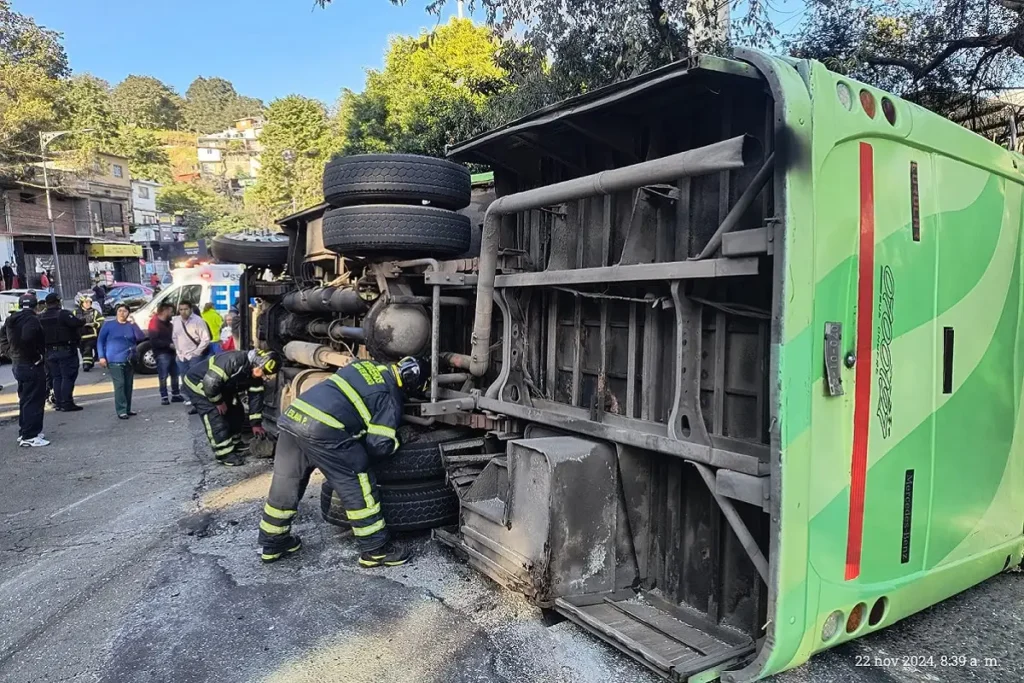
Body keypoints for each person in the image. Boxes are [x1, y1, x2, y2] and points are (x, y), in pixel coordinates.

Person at [257, 356, 427, 567]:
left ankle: (273, 543)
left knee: (285, 483)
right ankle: (375, 549)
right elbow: (379, 445)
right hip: (323, 428)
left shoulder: (365, 364)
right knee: (357, 478)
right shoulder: (390, 395)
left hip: (295, 416)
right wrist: (399, 439)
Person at [182, 349, 279, 467]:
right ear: (257, 363)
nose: (263, 377)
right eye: (262, 373)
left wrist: (255, 424)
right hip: (200, 383)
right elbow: (210, 383)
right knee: (215, 417)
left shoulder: (255, 373)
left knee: (236, 412)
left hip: (221, 387)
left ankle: (235, 443)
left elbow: (256, 398)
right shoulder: (234, 361)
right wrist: (218, 401)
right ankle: (224, 454)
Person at [0, 293, 48, 446]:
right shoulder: (32, 319)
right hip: (31, 364)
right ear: (36, 305)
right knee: (34, 399)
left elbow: (2, 339)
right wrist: (36, 356)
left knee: (25, 398)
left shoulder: (11, 319)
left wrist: (11, 353)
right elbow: (28, 338)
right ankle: (30, 436)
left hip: (18, 363)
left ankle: (25, 431)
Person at [97, 304, 145, 420]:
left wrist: (134, 324)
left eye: (124, 311)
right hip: (114, 359)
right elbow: (100, 341)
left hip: (129, 359)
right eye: (119, 311)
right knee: (120, 384)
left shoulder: (130, 325)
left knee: (128, 385)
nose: (122, 313)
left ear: (128, 313)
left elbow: (140, 337)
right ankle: (121, 410)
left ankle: (128, 408)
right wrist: (101, 357)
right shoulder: (109, 325)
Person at [38, 293, 84, 412]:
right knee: (67, 377)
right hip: (65, 350)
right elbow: (77, 323)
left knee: (56, 378)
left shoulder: (41, 317)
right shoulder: (62, 314)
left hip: (49, 352)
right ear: (58, 302)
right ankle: (67, 402)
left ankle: (59, 403)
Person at [172, 301, 210, 412]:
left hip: (195, 355)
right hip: (181, 356)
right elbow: (175, 337)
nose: (183, 312)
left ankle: (198, 402)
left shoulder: (198, 321)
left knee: (195, 380)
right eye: (181, 309)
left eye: (185, 309)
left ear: (191, 309)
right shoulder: (176, 320)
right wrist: (178, 351)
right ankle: (191, 399)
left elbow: (205, 339)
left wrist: (197, 353)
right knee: (185, 379)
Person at [148, 302, 183, 405]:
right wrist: (169, 345)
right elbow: (154, 340)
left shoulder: (169, 324)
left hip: (172, 352)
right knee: (163, 375)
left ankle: (175, 394)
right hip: (162, 352)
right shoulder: (155, 323)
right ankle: (164, 396)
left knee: (175, 374)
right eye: (171, 311)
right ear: (165, 310)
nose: (172, 314)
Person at [74, 298, 103, 371]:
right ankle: (89, 362)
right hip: (80, 336)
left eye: (89, 302)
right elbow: (72, 322)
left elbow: (102, 321)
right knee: (83, 351)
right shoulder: (75, 312)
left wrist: (95, 324)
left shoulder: (95, 312)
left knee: (87, 349)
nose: (88, 304)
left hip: (91, 335)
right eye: (86, 302)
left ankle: (86, 365)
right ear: (81, 303)